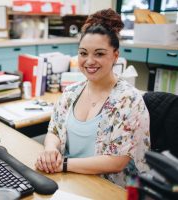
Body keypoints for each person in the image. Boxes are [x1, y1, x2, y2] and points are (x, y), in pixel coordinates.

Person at [35, 8, 150, 187]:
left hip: (114, 190)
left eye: (99, 53)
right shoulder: (71, 92)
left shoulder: (129, 100)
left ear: (115, 55)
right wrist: (50, 150)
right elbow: (54, 131)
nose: (89, 61)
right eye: (83, 53)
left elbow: (117, 161)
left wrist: (63, 164)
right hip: (72, 182)